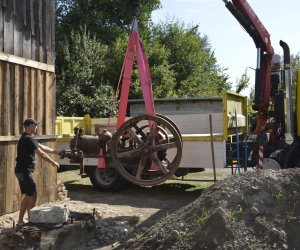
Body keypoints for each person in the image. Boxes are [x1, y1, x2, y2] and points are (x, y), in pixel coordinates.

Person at [15, 118, 61, 226]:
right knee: (33, 195)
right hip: (25, 171)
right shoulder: (28, 139)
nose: (36, 127)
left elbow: (41, 146)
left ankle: (20, 221)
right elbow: (41, 154)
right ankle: (32, 220)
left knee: (28, 194)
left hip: (20, 171)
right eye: (35, 125)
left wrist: (56, 151)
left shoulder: (27, 138)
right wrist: (53, 162)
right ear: (29, 126)